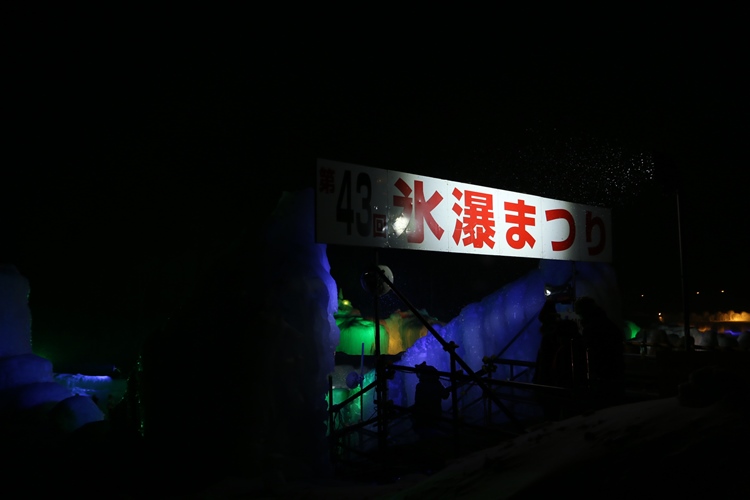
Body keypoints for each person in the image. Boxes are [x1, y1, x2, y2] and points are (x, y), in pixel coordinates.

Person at [574, 296, 626, 404]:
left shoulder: (593, 327)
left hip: (601, 373)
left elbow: (590, 349)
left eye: (580, 313)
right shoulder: (607, 324)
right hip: (612, 371)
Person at [411, 362, 450, 439]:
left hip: (425, 416)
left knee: (427, 433)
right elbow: (445, 395)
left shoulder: (421, 386)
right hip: (435, 414)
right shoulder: (436, 383)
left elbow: (418, 402)